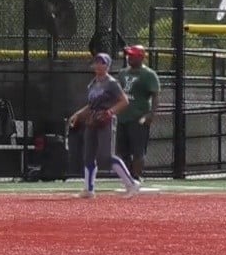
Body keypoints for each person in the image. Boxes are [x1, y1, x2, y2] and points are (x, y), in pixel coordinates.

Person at [68, 53, 140, 199]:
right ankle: (89, 189)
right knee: (88, 155)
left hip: (105, 121)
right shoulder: (93, 83)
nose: (99, 65)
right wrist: (78, 114)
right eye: (97, 62)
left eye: (102, 63)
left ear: (107, 65)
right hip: (92, 120)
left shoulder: (111, 83)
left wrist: (110, 112)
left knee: (106, 156)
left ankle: (131, 184)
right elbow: (91, 105)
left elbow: (124, 101)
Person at [115, 45, 160, 180]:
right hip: (122, 117)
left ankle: (136, 177)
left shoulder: (148, 74)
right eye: (129, 55)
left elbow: (155, 95)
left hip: (138, 117)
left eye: (133, 55)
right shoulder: (123, 73)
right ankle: (127, 177)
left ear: (141, 57)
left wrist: (151, 114)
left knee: (138, 151)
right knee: (122, 151)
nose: (129, 58)